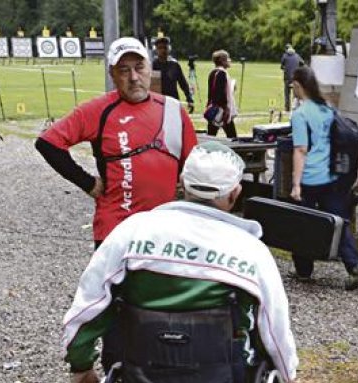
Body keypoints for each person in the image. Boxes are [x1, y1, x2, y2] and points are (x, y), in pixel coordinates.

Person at [64, 142, 298, 383]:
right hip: (222, 374)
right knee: (249, 352)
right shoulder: (249, 249)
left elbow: (88, 307)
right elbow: (274, 324)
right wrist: (287, 371)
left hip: (143, 367)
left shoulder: (131, 231)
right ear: (235, 193)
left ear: (182, 184)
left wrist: (80, 364)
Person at [36, 37, 197, 245]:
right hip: (116, 232)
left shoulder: (173, 109)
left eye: (139, 67)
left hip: (163, 231)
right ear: (112, 74)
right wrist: (87, 182)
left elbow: (193, 167)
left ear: (150, 68)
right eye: (124, 70)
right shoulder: (98, 110)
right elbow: (48, 143)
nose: (134, 77)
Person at [287, 65, 358, 291]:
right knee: (337, 221)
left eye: (293, 85)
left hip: (310, 176)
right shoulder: (327, 109)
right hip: (332, 175)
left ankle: (304, 270)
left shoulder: (300, 114)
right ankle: (354, 264)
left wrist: (296, 184)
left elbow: (301, 150)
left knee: (303, 222)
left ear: (299, 85)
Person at [152, 36, 194, 113]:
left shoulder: (174, 65)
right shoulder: (152, 65)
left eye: (165, 47)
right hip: (157, 103)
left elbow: (183, 83)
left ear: (169, 48)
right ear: (156, 50)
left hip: (173, 101)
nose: (163, 50)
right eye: (160, 48)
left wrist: (189, 98)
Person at [204, 49, 239, 138]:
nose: (229, 61)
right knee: (232, 137)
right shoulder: (221, 73)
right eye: (227, 59)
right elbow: (220, 92)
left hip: (214, 108)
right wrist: (225, 108)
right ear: (222, 61)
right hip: (221, 110)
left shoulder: (213, 72)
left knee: (211, 134)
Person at [280, 44, 304, 112]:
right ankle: (295, 108)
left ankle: (287, 109)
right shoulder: (297, 55)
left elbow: (282, 66)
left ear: (286, 50)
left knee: (287, 94)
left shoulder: (285, 56)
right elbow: (302, 63)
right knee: (295, 94)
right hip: (296, 78)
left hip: (287, 78)